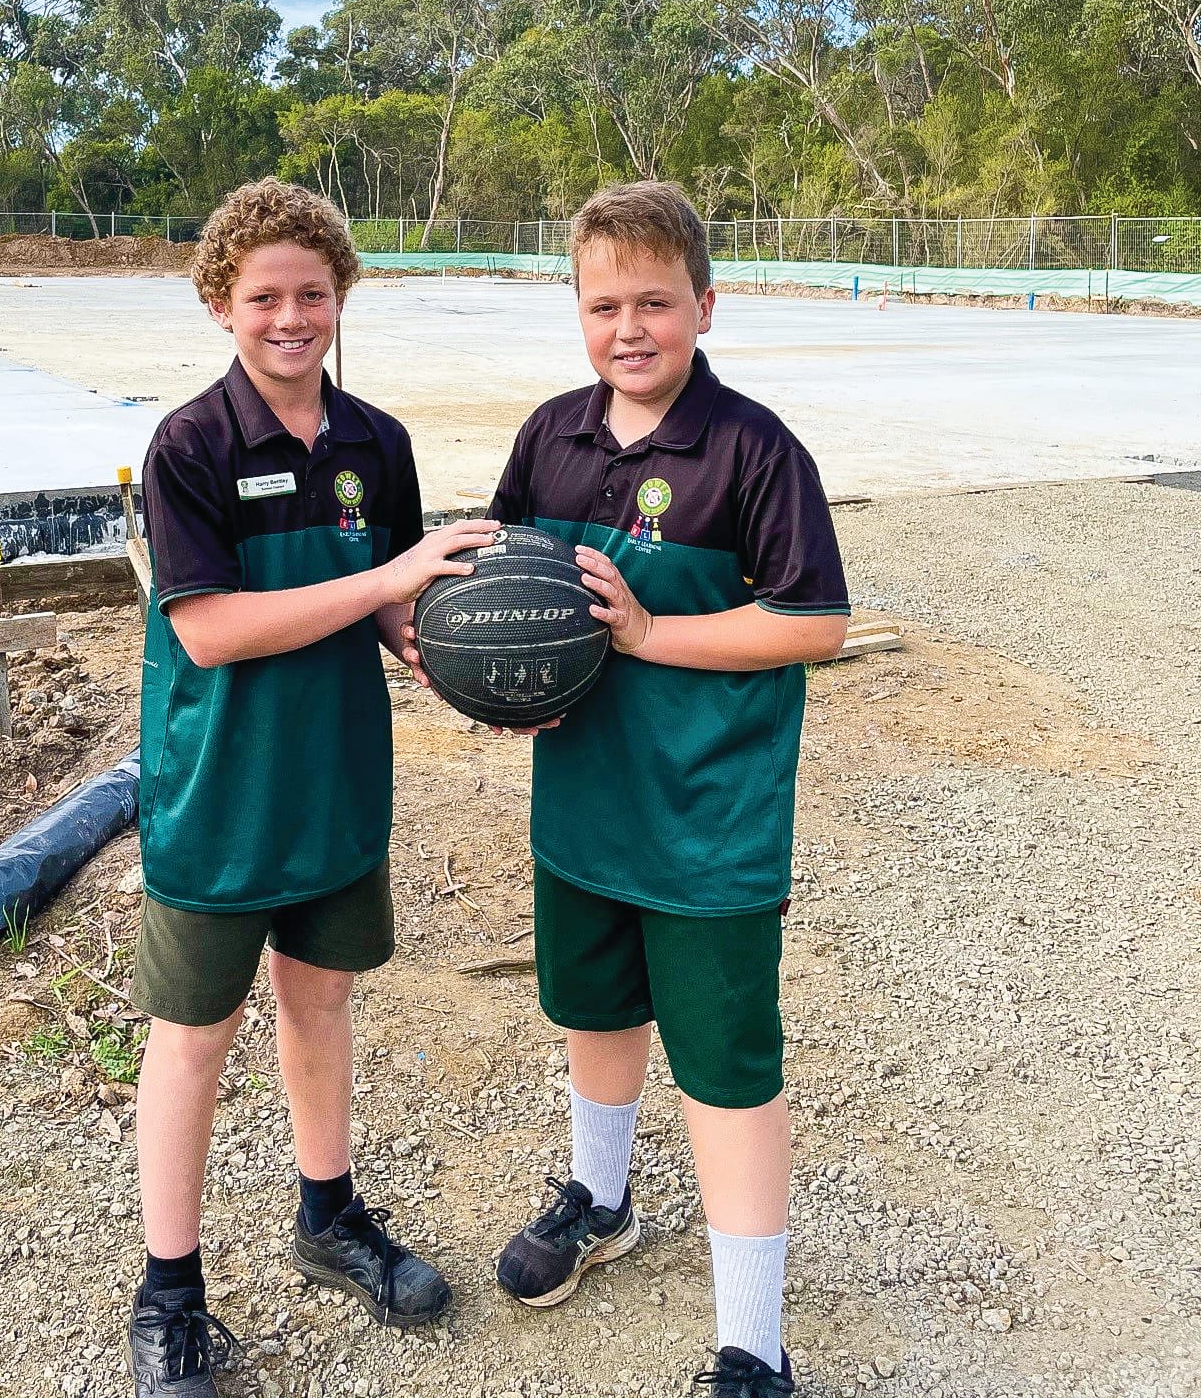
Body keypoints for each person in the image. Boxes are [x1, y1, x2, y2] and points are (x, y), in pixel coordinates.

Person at [470, 181, 849, 1397]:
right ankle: (603, 1198)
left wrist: (646, 635)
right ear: (574, 311)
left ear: (705, 304)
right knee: (596, 1016)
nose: (628, 328)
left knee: (728, 1070)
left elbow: (815, 624)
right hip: (583, 807)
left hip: (707, 824)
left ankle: (752, 1342)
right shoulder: (551, 438)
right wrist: (457, 646)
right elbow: (499, 583)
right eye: (602, 305)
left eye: (655, 302)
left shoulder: (753, 450)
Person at [128, 178, 496, 1397]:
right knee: (193, 1043)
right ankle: (169, 1289)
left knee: (321, 1008)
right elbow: (215, 632)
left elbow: (388, 606)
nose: (292, 316)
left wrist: (462, 660)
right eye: (264, 296)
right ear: (221, 306)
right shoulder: (189, 446)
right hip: (221, 797)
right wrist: (386, 570)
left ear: (342, 294)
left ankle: (327, 1217)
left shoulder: (373, 444)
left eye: (313, 292)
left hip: (335, 785)